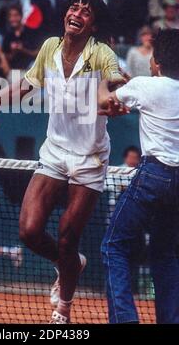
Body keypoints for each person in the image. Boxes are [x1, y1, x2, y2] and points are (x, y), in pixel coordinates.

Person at [0, 0, 124, 324]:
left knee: (68, 236)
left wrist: (113, 94)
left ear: (92, 24)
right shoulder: (50, 48)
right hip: (54, 152)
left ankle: (63, 311)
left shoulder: (101, 53)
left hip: (90, 159)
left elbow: (114, 78)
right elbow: (22, 87)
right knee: (29, 231)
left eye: (86, 11)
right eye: (74, 7)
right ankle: (71, 263)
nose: (77, 12)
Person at [98, 28, 179, 324]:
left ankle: (124, 319)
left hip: (153, 175)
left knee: (113, 245)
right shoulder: (145, 85)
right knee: (166, 254)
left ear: (155, 61)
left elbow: (102, 102)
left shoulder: (145, 85)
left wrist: (104, 78)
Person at [2, 4, 43, 71]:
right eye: (10, 16)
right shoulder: (7, 36)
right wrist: (13, 52)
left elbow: (38, 53)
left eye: (15, 15)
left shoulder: (31, 32)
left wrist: (23, 49)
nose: (13, 19)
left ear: (21, 16)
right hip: (15, 70)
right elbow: (5, 57)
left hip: (30, 69)